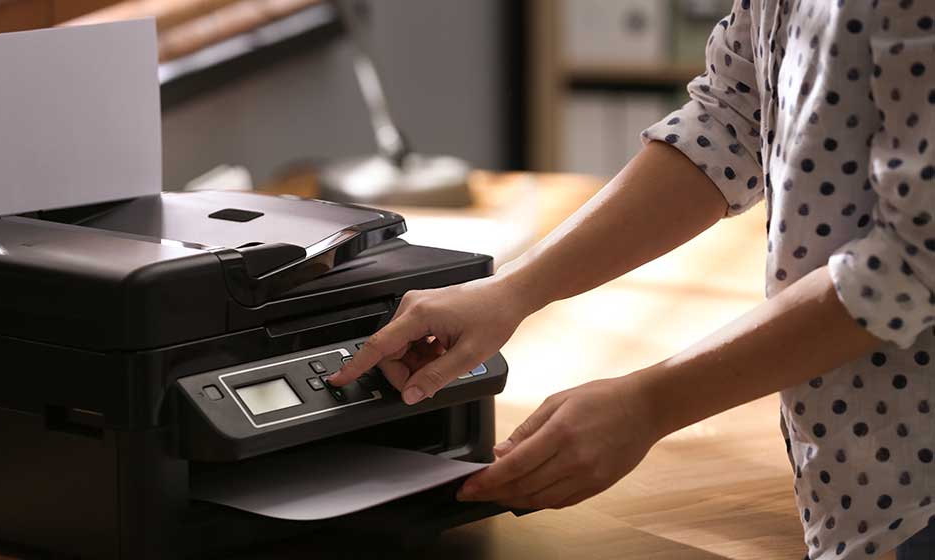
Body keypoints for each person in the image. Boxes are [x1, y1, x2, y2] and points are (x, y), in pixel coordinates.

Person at [328, 1, 935, 558]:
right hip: (846, 477)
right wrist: (510, 290)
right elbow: (731, 118)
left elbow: (913, 260)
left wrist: (650, 404)